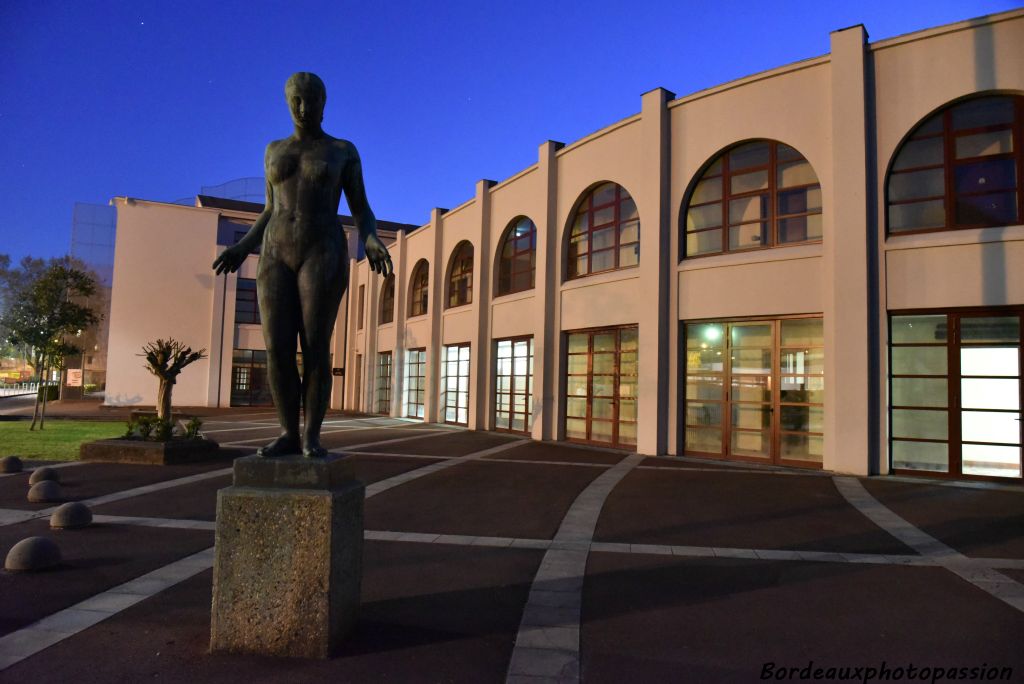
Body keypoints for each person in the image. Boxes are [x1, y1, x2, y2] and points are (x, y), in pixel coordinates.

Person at [213, 72, 392, 458]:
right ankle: (287, 433)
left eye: (311, 100)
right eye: (296, 99)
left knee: (314, 348)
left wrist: (373, 237)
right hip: (275, 253)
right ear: (286, 101)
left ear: (324, 103)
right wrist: (243, 246)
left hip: (322, 251)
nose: (304, 107)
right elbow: (269, 209)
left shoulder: (342, 150)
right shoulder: (273, 150)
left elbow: (361, 209)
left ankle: (311, 435)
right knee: (277, 349)